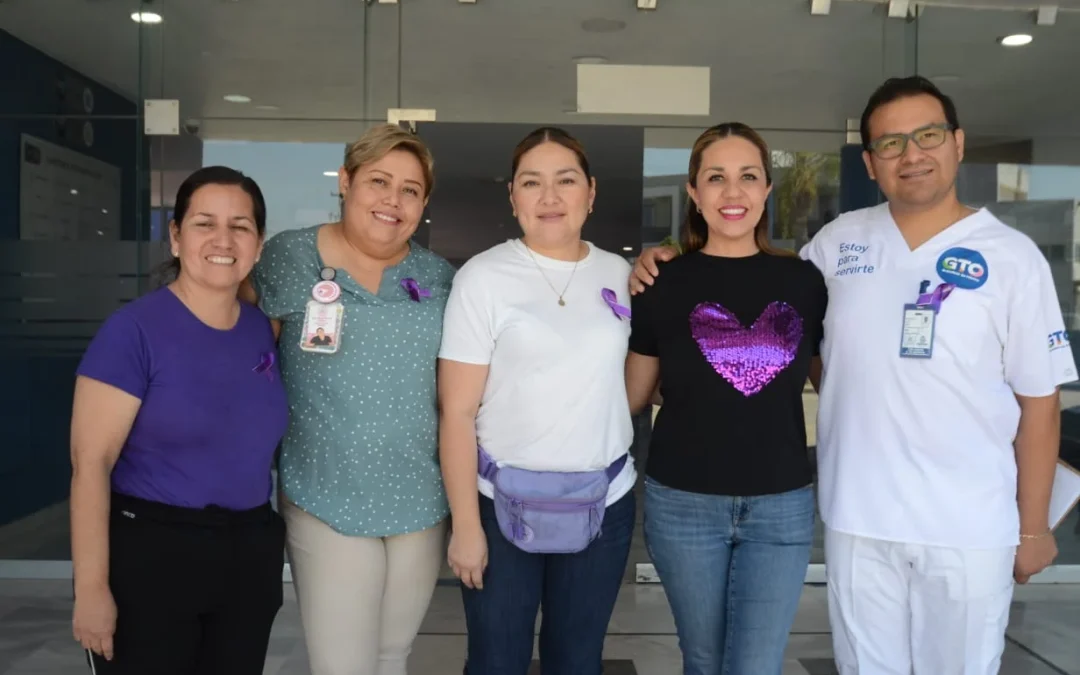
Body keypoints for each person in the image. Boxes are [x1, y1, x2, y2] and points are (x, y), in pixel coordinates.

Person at [630, 76, 1072, 675]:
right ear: (869, 161)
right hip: (858, 518)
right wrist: (657, 262)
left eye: (928, 135)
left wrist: (1033, 528)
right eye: (891, 143)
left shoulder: (1012, 257)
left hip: (969, 523)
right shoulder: (837, 247)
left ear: (958, 142)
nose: (911, 154)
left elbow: (1040, 401)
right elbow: (771, 315)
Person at [243, 124, 454, 675]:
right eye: (379, 181)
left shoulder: (438, 277)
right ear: (346, 181)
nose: (393, 200)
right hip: (325, 494)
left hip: (420, 498)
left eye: (410, 189)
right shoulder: (289, 258)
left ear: (424, 203)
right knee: (345, 666)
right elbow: (240, 360)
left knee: (392, 657)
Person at [70, 166, 288, 675]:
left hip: (246, 556)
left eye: (240, 226)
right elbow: (90, 465)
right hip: (152, 556)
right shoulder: (132, 332)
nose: (222, 240)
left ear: (258, 244)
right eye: (204, 223)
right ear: (175, 236)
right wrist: (91, 587)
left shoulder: (260, 329)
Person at [624, 123, 825, 675]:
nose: (732, 193)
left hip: (781, 504)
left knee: (756, 665)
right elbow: (634, 396)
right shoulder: (661, 282)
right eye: (716, 178)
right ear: (693, 191)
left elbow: (835, 383)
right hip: (683, 503)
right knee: (704, 658)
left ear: (767, 189)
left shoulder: (806, 283)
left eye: (748, 177)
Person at [438, 127, 636, 675]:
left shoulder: (620, 274)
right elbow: (457, 412)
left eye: (565, 181)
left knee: (578, 661)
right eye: (532, 182)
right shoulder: (483, 278)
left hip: (604, 500)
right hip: (500, 504)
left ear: (591, 193)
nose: (549, 197)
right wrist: (466, 526)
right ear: (513, 196)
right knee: (496, 661)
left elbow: (629, 384)